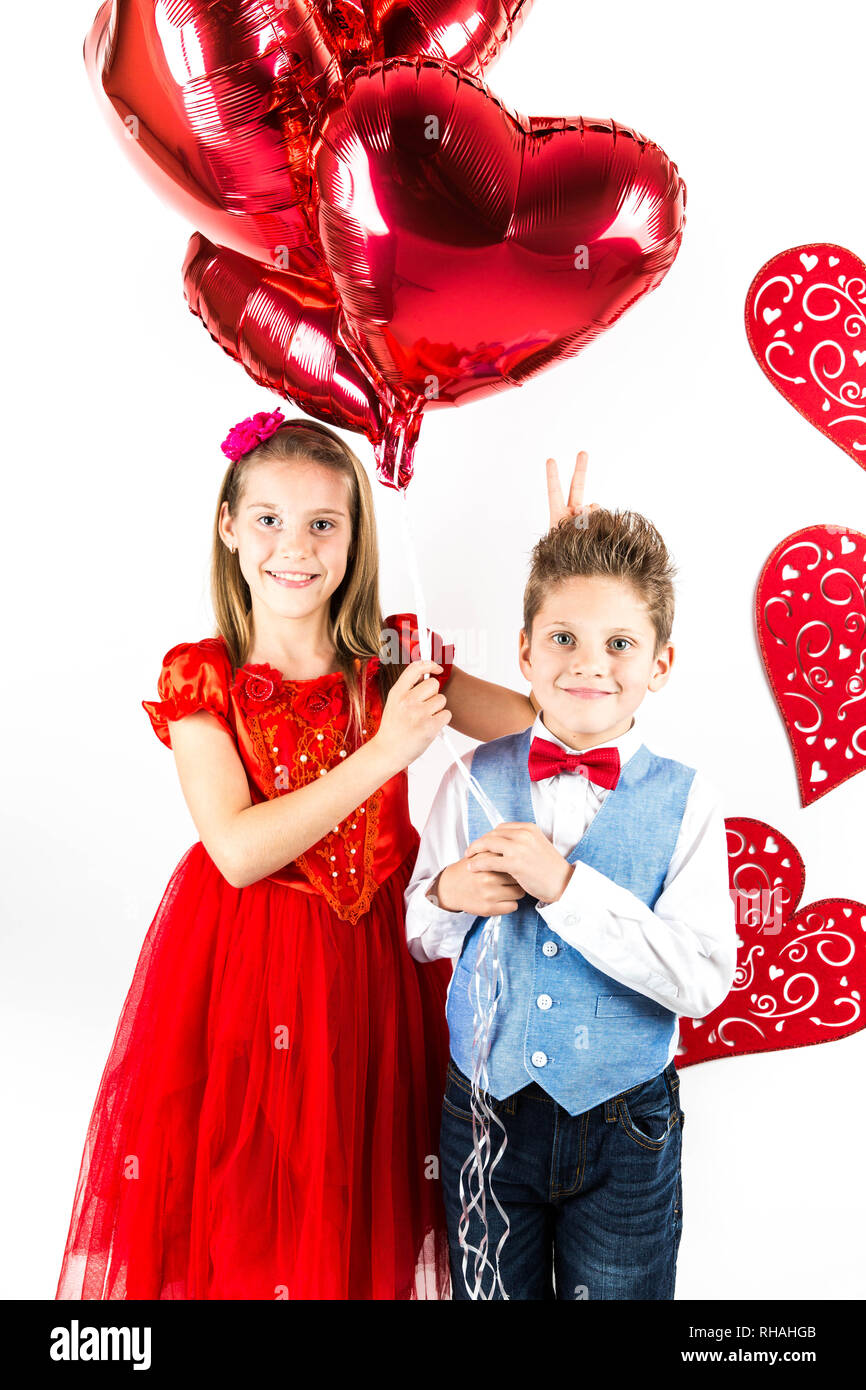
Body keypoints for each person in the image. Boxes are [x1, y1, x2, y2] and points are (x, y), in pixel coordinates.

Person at [54, 409, 552, 1301]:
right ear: (230, 527)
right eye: (271, 519)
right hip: (247, 973)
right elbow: (239, 850)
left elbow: (536, 724)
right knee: (249, 1210)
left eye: (324, 522)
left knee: (376, 1200)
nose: (297, 546)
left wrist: (563, 586)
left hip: (380, 976)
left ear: (356, 536)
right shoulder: (203, 675)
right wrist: (384, 754)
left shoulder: (393, 658)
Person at [404, 504, 739, 1300]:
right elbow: (419, 928)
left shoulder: (688, 802)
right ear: (524, 651)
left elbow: (699, 980)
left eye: (620, 643)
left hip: (627, 1127)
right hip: (483, 1115)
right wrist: (451, 894)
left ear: (660, 663)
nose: (590, 665)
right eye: (564, 638)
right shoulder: (470, 777)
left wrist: (565, 888)